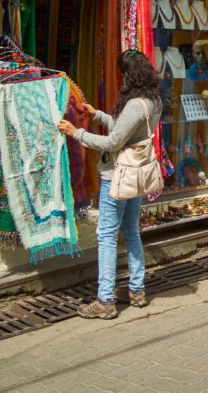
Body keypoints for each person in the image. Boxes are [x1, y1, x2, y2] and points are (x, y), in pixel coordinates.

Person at [58, 50, 161, 319]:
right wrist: (100, 115)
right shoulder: (153, 101)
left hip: (116, 176)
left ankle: (105, 300)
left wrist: (77, 133)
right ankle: (137, 290)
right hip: (135, 176)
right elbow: (128, 130)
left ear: (129, 75)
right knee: (131, 232)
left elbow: (113, 142)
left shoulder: (135, 103)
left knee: (106, 236)